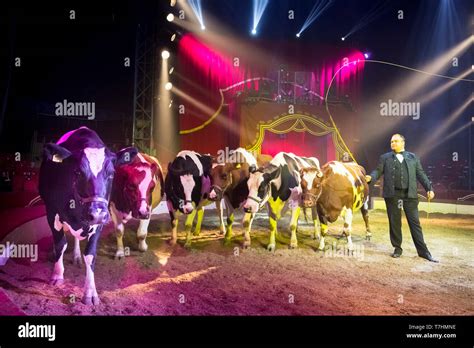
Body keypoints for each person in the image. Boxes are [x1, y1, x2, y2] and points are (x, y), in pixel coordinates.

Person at [365, 134, 438, 262]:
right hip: (393, 195)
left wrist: (429, 188)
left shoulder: (413, 157)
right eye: (391, 141)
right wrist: (371, 177)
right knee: (395, 223)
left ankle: (423, 252)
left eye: (396, 141)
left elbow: (421, 174)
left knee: (415, 224)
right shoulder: (385, 158)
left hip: (409, 195)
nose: (393, 143)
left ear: (403, 143)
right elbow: (378, 171)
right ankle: (397, 249)